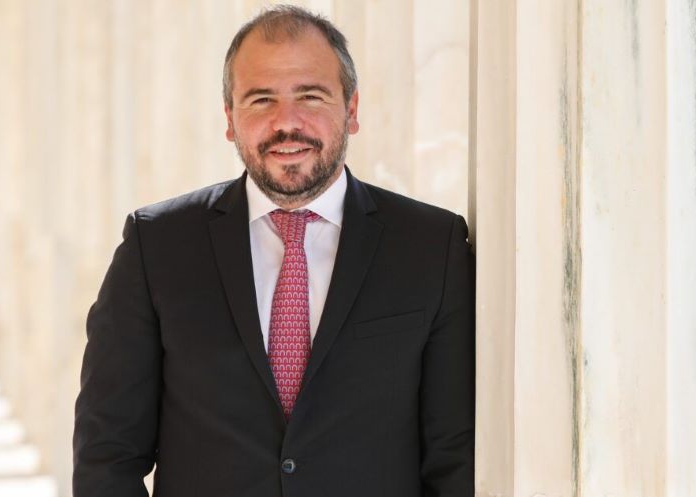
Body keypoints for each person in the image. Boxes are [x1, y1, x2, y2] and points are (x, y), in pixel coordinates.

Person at [72, 5, 474, 496]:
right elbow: (107, 453)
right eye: (261, 99)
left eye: (311, 96)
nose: (287, 122)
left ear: (351, 110)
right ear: (230, 118)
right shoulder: (156, 246)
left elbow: (456, 458)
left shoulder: (431, 247)